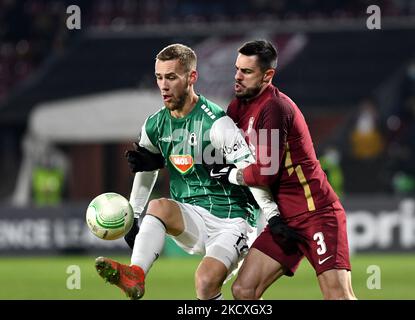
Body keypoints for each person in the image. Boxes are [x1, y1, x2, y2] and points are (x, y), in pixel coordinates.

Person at [94, 43, 280, 300]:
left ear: (192, 77)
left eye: (171, 77)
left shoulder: (217, 123)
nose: (163, 85)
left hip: (233, 220)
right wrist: (133, 215)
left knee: (205, 283)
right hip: (190, 215)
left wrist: (272, 217)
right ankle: (135, 274)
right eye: (159, 77)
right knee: (158, 206)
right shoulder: (155, 124)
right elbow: (147, 170)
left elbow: (252, 172)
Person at [207, 40, 356, 299]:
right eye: (237, 69)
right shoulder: (237, 107)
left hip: (316, 212)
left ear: (268, 75)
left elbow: (266, 172)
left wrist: (230, 175)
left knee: (337, 295)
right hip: (283, 220)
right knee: (244, 290)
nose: (237, 77)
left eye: (246, 72)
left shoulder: (275, 108)